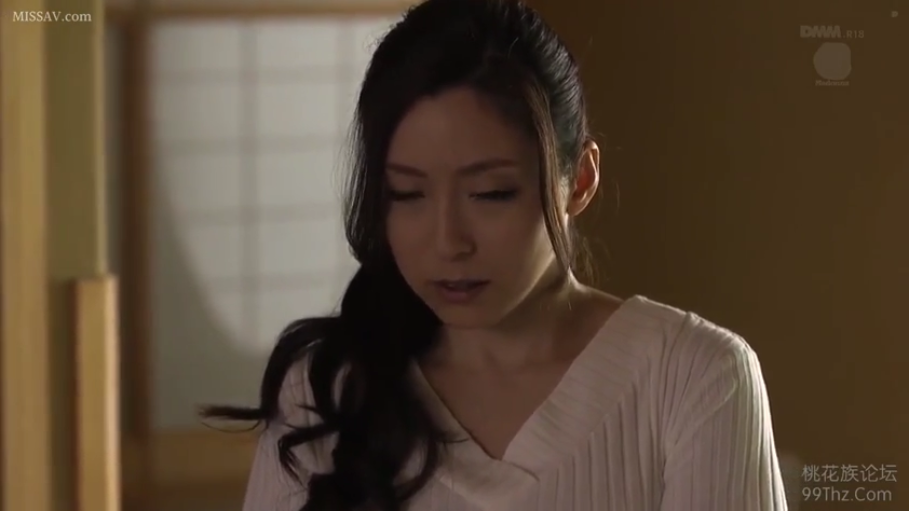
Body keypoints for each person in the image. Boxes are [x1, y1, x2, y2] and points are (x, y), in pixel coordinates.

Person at [204, 0, 789, 509]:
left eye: (490, 194)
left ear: (579, 181)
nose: (448, 242)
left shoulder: (696, 380)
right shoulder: (324, 392)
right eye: (407, 195)